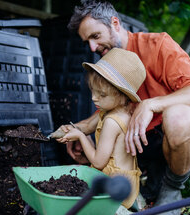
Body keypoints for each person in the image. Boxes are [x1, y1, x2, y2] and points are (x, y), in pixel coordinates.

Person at [57, 0, 190, 214]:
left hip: (185, 137)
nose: (93, 48)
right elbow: (106, 109)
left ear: (115, 23)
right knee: (112, 127)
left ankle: (172, 189)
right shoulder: (109, 61)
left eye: (96, 36)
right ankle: (139, 188)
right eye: (87, 42)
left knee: (177, 117)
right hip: (145, 143)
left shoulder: (158, 45)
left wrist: (151, 105)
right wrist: (77, 130)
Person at [58, 48, 145, 209]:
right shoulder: (123, 112)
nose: (93, 98)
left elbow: (98, 162)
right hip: (127, 184)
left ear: (122, 95)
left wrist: (81, 136)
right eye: (92, 90)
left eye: (102, 95)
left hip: (113, 189)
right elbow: (111, 156)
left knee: (68, 186)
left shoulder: (112, 121)